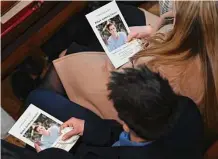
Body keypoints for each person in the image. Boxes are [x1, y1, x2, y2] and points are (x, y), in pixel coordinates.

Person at [42, 1, 218, 134]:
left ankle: (50, 75)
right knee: (122, 12)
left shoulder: (168, 69)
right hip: (160, 67)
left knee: (65, 61)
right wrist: (151, 31)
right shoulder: (208, 40)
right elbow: (176, 31)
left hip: (135, 101)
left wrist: (128, 50)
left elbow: (124, 80)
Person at [2, 66, 204, 159]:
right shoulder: (185, 109)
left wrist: (51, 155)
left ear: (126, 124)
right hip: (111, 142)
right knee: (38, 99)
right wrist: (87, 127)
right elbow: (119, 135)